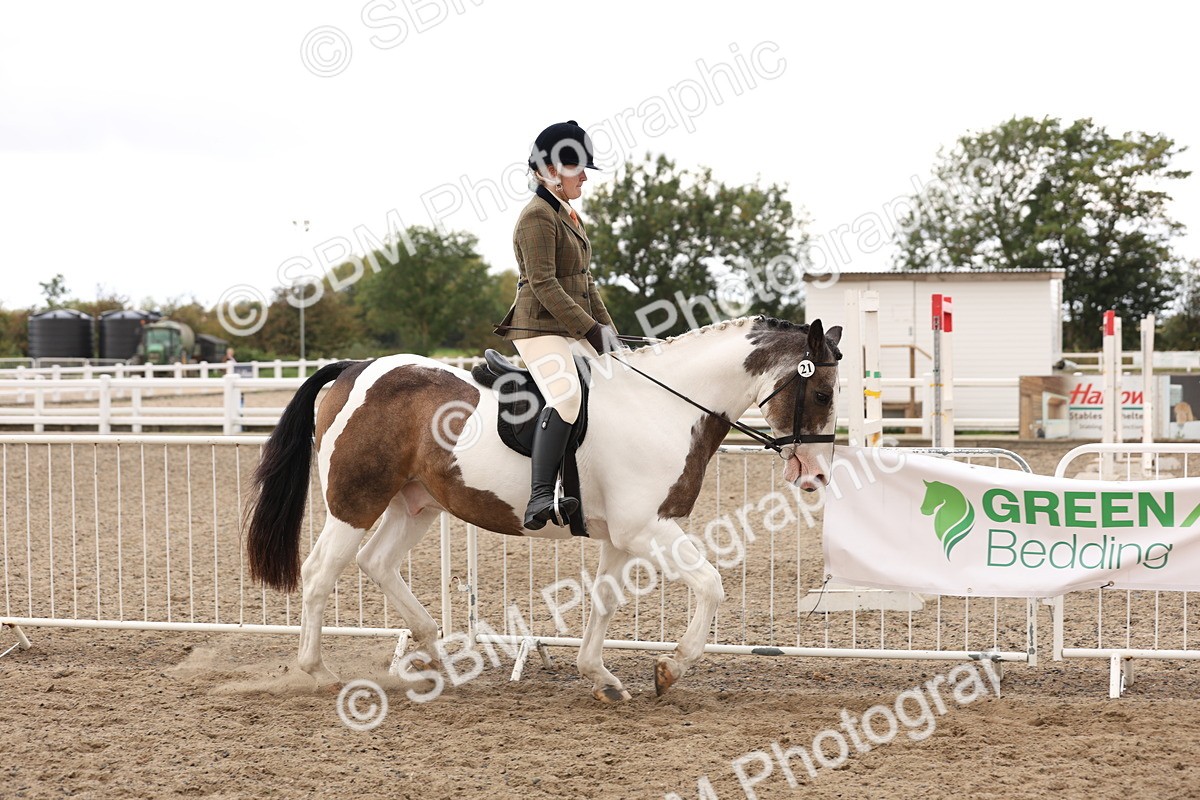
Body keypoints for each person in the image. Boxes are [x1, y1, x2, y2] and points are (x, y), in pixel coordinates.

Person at [495, 120, 620, 530]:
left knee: (617, 381)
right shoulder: (537, 216)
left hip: (567, 327)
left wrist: (610, 335)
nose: (584, 177)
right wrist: (590, 330)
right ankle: (540, 496)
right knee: (566, 396)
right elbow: (544, 284)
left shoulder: (567, 215)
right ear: (550, 171)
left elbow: (586, 283)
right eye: (577, 169)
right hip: (537, 329)